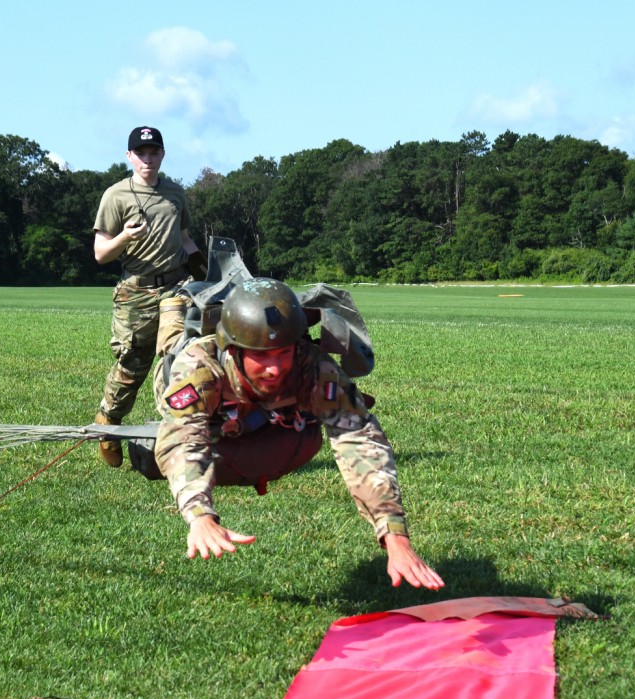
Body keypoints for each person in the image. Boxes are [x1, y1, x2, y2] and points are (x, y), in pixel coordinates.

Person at [150, 277, 444, 589]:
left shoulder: (312, 366)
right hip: (187, 378)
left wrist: (393, 534)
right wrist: (200, 514)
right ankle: (173, 305)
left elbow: (360, 440)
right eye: (261, 355)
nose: (274, 368)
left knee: (300, 436)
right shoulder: (199, 369)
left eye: (282, 352)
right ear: (233, 350)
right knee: (171, 345)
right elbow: (182, 441)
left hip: (262, 409)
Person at [91, 126, 206, 467]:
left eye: (154, 152)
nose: (148, 159)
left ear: (162, 155)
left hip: (176, 286)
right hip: (136, 291)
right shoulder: (116, 196)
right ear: (129, 156)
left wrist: (208, 275)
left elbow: (185, 240)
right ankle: (108, 422)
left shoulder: (175, 193)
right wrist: (125, 236)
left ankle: (177, 431)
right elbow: (100, 253)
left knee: (175, 354)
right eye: (141, 153)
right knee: (132, 363)